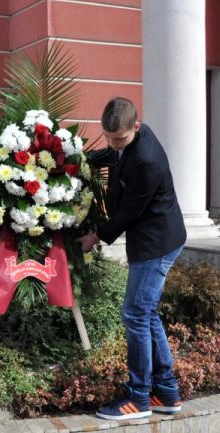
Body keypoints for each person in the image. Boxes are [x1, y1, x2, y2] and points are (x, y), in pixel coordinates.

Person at [77, 97, 187, 420]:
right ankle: (166, 392)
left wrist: (95, 237)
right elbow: (112, 155)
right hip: (154, 238)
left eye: (119, 139)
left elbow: (127, 213)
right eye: (108, 138)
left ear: (135, 128)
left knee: (135, 314)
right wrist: (82, 160)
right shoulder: (127, 141)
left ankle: (139, 398)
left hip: (157, 243)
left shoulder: (147, 161)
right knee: (147, 313)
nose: (113, 144)